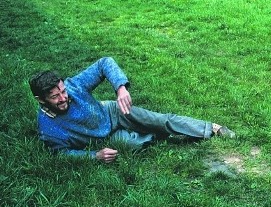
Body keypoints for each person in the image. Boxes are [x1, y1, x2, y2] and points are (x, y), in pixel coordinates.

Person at [29, 57, 235, 163]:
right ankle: (167, 135)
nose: (64, 97)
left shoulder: (74, 86)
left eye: (63, 91)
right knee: (133, 144)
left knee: (159, 120)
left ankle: (212, 128)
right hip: (104, 137)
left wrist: (120, 88)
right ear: (41, 100)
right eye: (55, 97)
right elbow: (62, 154)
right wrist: (95, 156)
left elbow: (104, 63)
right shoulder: (48, 128)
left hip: (112, 111)